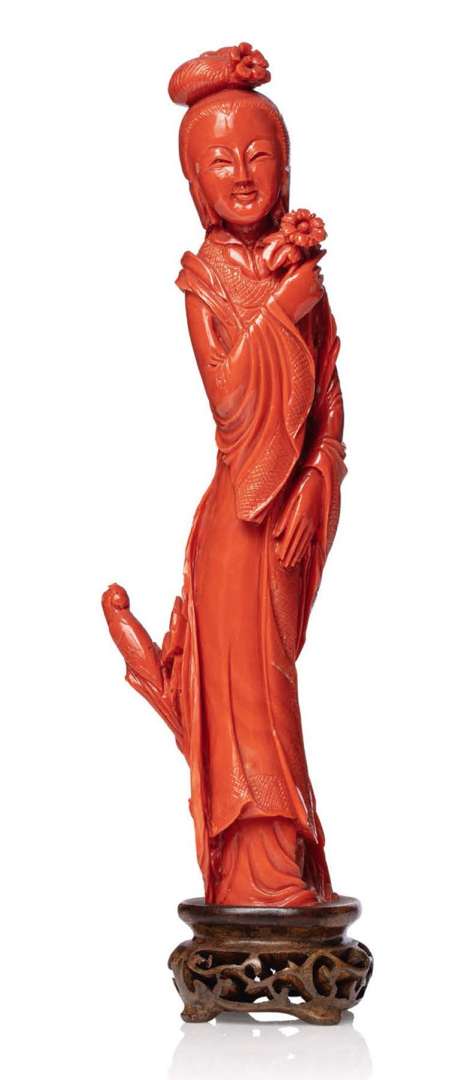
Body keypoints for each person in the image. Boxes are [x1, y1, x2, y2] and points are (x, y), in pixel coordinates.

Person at [103, 43, 346, 907]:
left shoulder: (301, 272)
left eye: (258, 155)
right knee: (246, 702)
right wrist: (285, 304)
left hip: (282, 515)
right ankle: (253, 874)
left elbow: (328, 403)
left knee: (274, 689)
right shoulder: (203, 283)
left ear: (285, 167)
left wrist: (317, 478)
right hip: (237, 522)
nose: (242, 175)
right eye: (220, 162)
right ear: (196, 185)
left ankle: (283, 871)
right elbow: (238, 405)